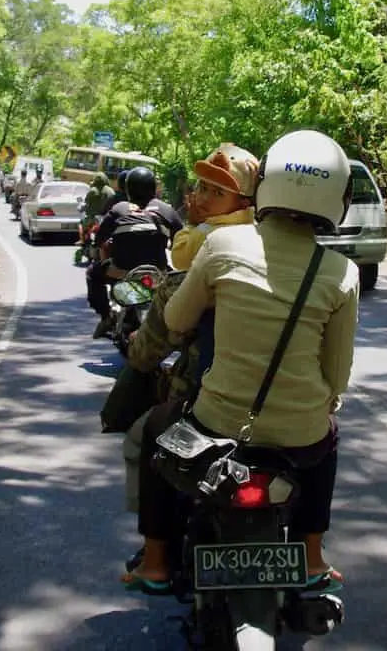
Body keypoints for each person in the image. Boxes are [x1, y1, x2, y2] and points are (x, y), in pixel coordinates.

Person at [122, 130, 359, 595]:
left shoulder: (222, 246)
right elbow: (336, 376)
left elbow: (175, 317)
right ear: (338, 197)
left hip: (216, 423)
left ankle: (154, 561)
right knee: (327, 439)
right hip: (300, 436)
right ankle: (311, 556)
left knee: (154, 431)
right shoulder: (342, 273)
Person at [105, 143, 260, 534]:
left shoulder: (198, 261)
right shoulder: (298, 265)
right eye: (203, 188)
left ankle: (155, 557)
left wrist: (140, 353)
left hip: (207, 397)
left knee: (145, 441)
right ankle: (311, 557)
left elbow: (156, 342)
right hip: (276, 401)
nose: (204, 197)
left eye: (216, 191)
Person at [87, 166, 183, 338]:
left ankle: (106, 317)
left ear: (127, 189)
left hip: (121, 273)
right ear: (153, 189)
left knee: (92, 274)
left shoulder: (119, 208)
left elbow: (100, 239)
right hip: (157, 274)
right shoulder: (167, 210)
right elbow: (181, 242)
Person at [170, 143, 258, 270]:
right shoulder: (254, 228)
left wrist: (194, 224)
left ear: (243, 203)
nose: (205, 198)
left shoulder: (208, 231)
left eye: (218, 193)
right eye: (203, 187)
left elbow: (179, 260)